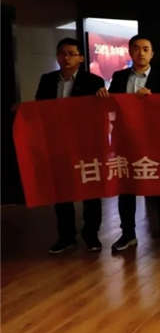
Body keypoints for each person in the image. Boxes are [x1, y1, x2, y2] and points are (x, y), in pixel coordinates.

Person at [98, 34, 160, 252]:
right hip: (125, 140)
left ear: (152, 54)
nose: (141, 53)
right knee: (126, 188)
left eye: (146, 49)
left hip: (153, 141)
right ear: (130, 52)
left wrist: (153, 96)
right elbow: (112, 105)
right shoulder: (119, 76)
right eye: (137, 48)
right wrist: (103, 96)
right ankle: (128, 234)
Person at [36, 38, 106, 254]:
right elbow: (39, 109)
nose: (66, 58)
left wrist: (103, 100)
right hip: (57, 143)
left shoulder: (94, 81)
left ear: (81, 58)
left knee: (91, 192)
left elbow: (101, 113)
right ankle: (66, 237)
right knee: (61, 191)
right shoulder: (47, 80)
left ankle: (91, 235)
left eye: (71, 54)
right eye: (62, 53)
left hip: (85, 144)